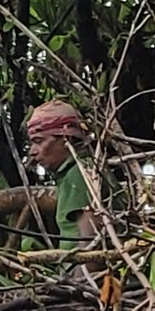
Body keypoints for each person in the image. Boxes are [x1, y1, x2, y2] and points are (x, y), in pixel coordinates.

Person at [27, 100, 98, 245]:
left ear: (67, 138)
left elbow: (91, 246)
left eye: (39, 141)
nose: (32, 152)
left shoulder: (80, 174)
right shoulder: (76, 172)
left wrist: (78, 268)